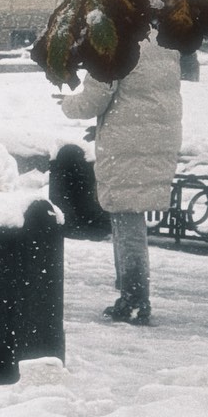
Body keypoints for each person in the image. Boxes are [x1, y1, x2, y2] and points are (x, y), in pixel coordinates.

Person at [57, 37, 182, 324]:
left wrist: (67, 103)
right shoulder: (164, 39)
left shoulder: (114, 39)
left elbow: (93, 100)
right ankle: (131, 292)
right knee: (129, 216)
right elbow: (143, 96)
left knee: (126, 219)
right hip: (154, 137)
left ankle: (135, 298)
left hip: (127, 143)